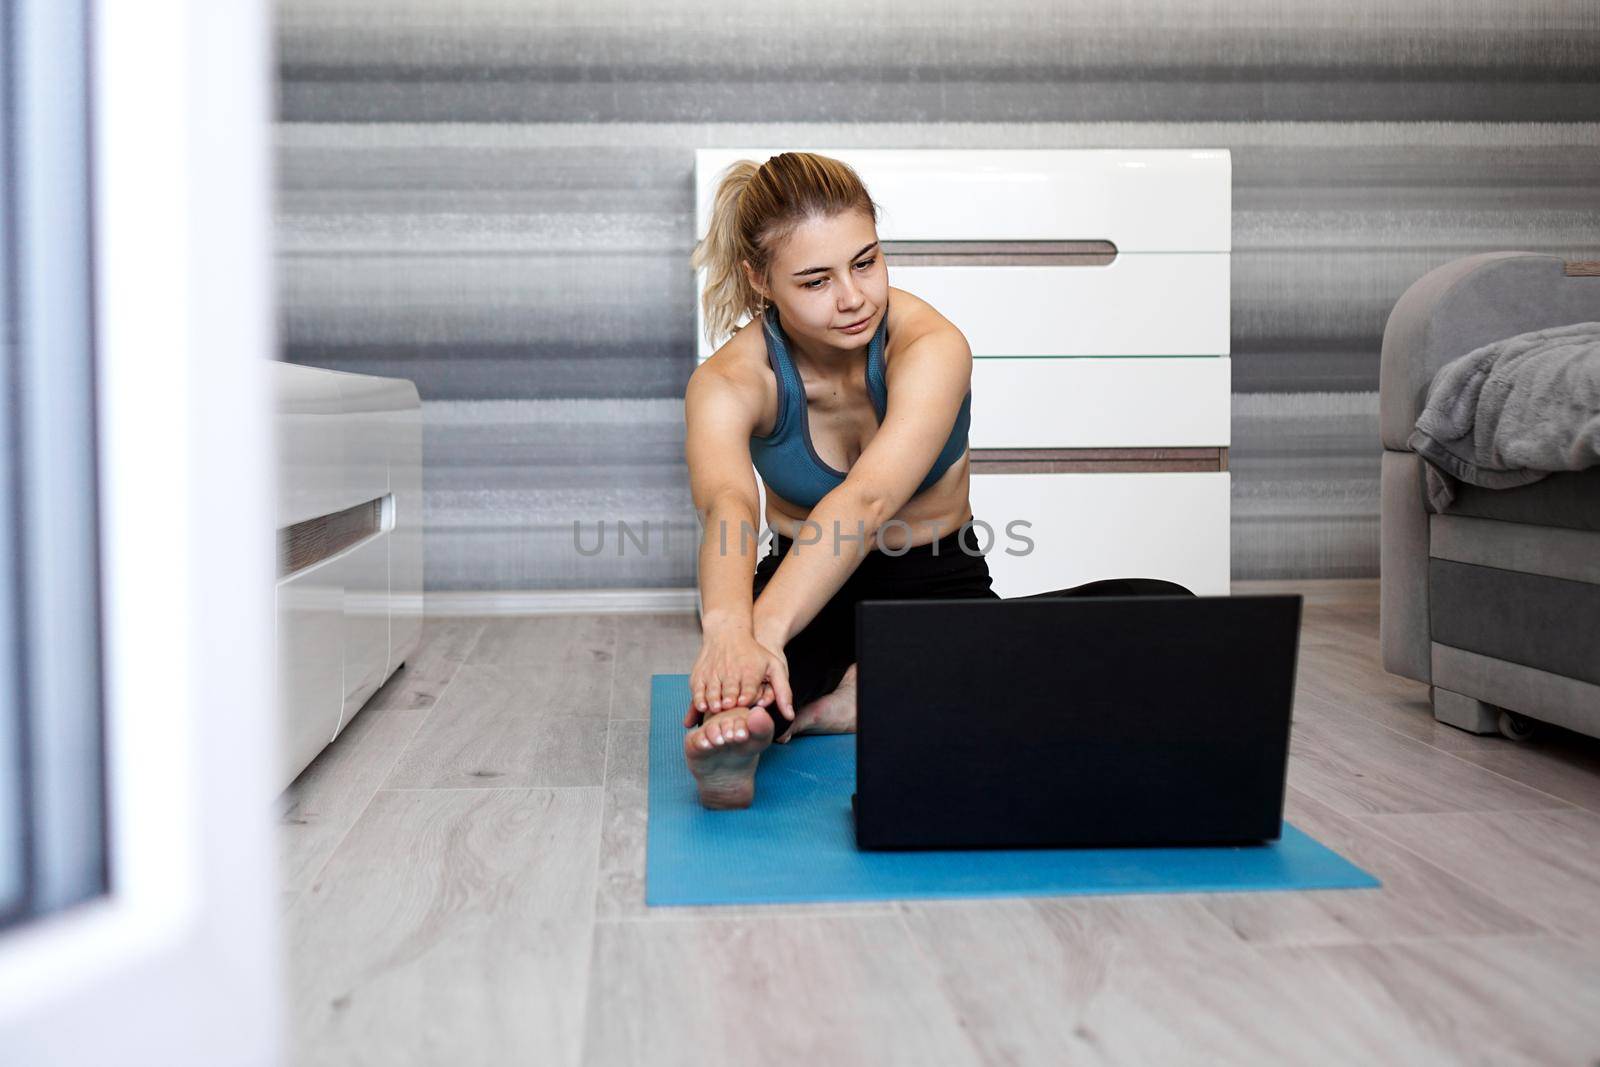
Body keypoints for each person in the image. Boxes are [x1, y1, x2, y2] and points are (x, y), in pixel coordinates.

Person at [681, 151, 1191, 809]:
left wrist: (761, 635)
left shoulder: (932, 344)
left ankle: (860, 694)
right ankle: (778, 712)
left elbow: (867, 498)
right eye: (814, 281)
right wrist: (730, 631)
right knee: (745, 692)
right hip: (802, 593)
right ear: (760, 279)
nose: (852, 297)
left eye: (865, 261)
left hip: (938, 587)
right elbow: (727, 504)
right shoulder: (727, 381)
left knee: (1164, 610)